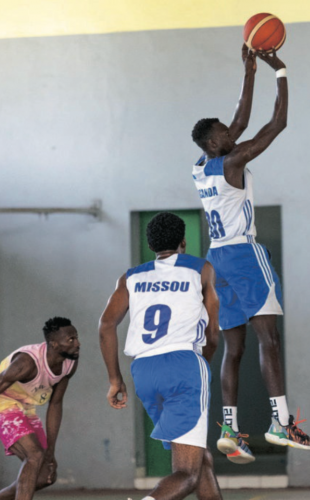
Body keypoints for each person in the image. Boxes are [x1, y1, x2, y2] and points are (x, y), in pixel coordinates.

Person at [190, 45, 310, 462]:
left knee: (234, 348)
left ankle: (230, 428)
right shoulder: (235, 160)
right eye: (226, 131)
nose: (235, 131)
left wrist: (248, 72)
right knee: (270, 339)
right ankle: (280, 421)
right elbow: (276, 123)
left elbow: (241, 119)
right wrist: (279, 70)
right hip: (244, 256)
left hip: (217, 263)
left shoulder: (201, 164)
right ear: (217, 141)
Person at [99, 212, 222, 500]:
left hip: (143, 372)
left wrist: (115, 379)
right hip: (183, 365)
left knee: (199, 458)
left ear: (151, 244)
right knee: (187, 473)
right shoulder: (201, 268)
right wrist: (202, 367)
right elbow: (214, 333)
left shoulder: (130, 277)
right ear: (183, 242)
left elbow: (106, 325)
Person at [0, 317, 79, 500]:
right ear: (54, 344)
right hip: (1, 402)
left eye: (76, 338)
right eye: (71, 340)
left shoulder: (69, 362)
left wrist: (51, 452)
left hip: (25, 406)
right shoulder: (27, 362)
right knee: (34, 455)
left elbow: (55, 404)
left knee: (45, 476)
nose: (77, 343)